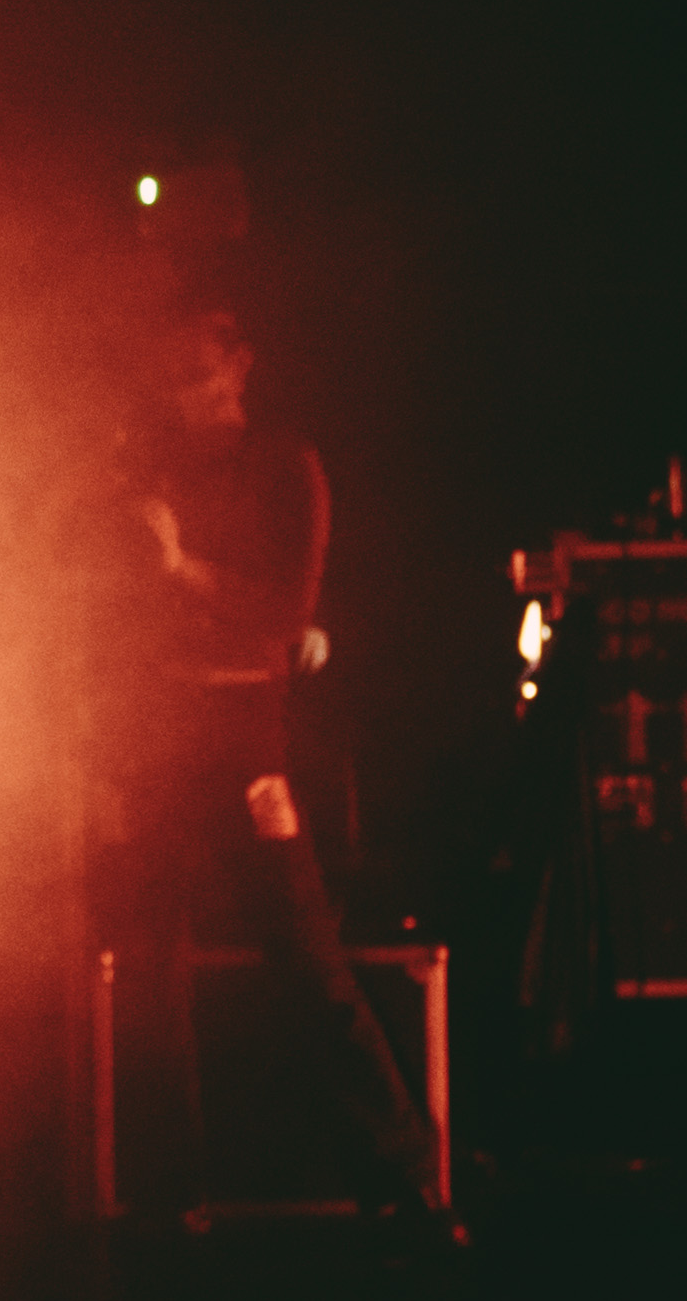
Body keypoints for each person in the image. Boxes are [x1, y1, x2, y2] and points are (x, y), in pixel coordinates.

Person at [88, 294, 444, 1231]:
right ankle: (171, 1195)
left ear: (240, 364)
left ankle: (402, 1178)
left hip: (245, 731)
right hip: (153, 730)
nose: (185, 395)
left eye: (200, 375)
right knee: (148, 969)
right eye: (170, 380)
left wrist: (180, 570)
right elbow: (96, 609)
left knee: (304, 956)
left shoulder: (288, 467)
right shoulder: (140, 468)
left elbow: (284, 613)